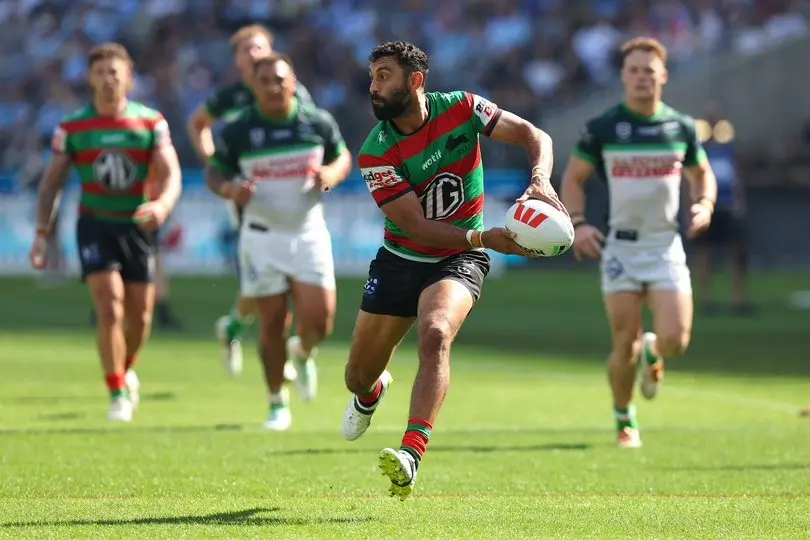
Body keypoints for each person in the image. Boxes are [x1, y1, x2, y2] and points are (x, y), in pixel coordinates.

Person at [341, 41, 561, 500]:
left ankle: (411, 454)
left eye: (384, 75)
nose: (373, 86)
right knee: (357, 377)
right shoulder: (376, 150)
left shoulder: (462, 108)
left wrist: (540, 179)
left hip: (458, 259)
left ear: (415, 80)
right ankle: (371, 393)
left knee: (437, 331)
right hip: (402, 259)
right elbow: (417, 226)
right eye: (372, 76)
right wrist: (485, 237)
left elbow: (534, 134)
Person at [559, 37, 717, 448]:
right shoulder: (603, 126)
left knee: (676, 340)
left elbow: (702, 173)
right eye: (634, 70)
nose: (642, 77)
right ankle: (624, 418)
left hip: (665, 246)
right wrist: (578, 223)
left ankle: (655, 349)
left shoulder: (681, 127)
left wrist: (705, 204)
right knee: (623, 344)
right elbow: (573, 178)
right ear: (623, 76)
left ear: (663, 75)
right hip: (621, 249)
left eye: (649, 70)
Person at [29, 43, 182, 422]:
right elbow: (50, 185)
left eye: (115, 72)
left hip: (137, 226)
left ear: (129, 77)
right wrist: (41, 232)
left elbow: (171, 173)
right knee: (109, 303)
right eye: (100, 72)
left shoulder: (150, 123)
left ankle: (125, 367)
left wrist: (162, 205)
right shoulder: (72, 128)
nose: (108, 79)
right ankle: (116, 391)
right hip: (95, 224)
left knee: (140, 317)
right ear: (89, 79)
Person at [204, 53, 351, 431]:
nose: (273, 87)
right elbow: (214, 172)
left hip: (308, 233)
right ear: (254, 87)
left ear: (292, 80)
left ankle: (302, 351)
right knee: (271, 321)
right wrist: (230, 189)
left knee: (320, 321)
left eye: (279, 80)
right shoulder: (238, 130)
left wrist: (330, 174)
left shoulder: (316, 122)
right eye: (264, 81)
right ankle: (276, 402)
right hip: (261, 237)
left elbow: (342, 156)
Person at [187, 24, 314, 377]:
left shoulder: (292, 90)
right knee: (269, 279)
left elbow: (313, 134)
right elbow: (198, 123)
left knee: (278, 280)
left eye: (259, 47)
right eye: (246, 49)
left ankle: (240, 328)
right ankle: (282, 356)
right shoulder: (229, 97)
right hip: (250, 199)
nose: (254, 53)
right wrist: (217, 167)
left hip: (291, 198)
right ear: (237, 60)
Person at [691, 109, 751, 315]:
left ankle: (737, 298)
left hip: (727, 206)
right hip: (706, 208)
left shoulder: (728, 150)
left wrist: (739, 202)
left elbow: (736, 178)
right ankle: (707, 298)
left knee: (736, 252)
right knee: (705, 253)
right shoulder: (698, 150)